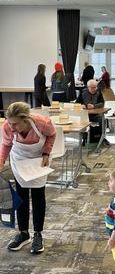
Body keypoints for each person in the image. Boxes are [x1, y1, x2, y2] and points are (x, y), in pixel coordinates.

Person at [0, 102, 56, 253]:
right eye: (10, 123)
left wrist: (46, 153)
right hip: (19, 160)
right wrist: (1, 161)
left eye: (16, 124)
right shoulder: (7, 126)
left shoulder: (42, 123)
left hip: (38, 160)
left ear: (26, 119)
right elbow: (6, 144)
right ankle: (24, 234)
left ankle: (38, 234)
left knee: (38, 196)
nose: (12, 128)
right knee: (21, 196)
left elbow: (51, 135)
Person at [75, 79, 109, 145]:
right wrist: (82, 105)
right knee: (82, 122)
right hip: (85, 115)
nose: (94, 89)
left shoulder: (99, 92)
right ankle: (84, 138)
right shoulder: (83, 92)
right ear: (88, 87)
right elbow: (77, 103)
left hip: (95, 115)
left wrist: (94, 106)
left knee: (102, 119)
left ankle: (101, 136)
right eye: (92, 87)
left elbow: (102, 103)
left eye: (95, 87)